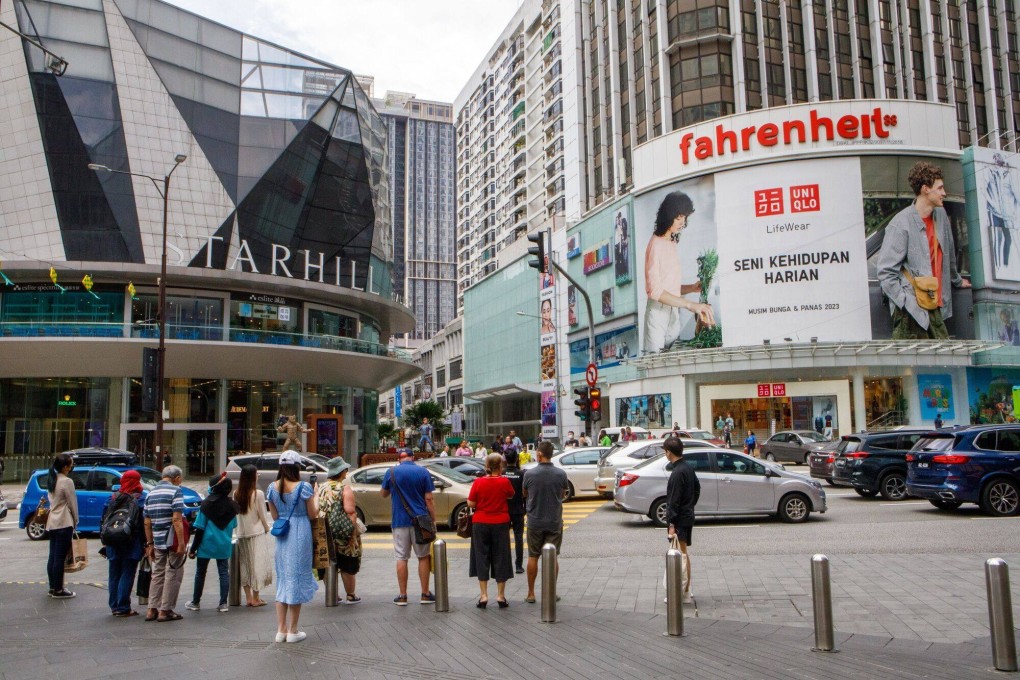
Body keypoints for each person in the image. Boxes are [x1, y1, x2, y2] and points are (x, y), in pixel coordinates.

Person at [877, 161, 971, 339]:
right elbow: (885, 272)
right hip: (912, 310)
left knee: (942, 363)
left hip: (936, 307)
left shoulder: (941, 215)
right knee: (913, 365)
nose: (944, 193)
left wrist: (957, 280)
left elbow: (948, 253)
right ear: (925, 189)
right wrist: (905, 302)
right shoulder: (900, 224)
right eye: (940, 188)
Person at [643, 191, 716, 353]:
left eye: (684, 217)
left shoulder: (670, 243)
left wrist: (692, 288)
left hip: (673, 311)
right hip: (658, 313)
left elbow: (669, 286)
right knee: (655, 364)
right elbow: (655, 290)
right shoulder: (655, 245)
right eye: (678, 218)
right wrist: (690, 305)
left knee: (672, 362)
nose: (682, 223)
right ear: (667, 216)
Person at [266, 450, 318, 643]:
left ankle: (281, 630)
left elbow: (274, 516)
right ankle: (293, 631)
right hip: (300, 532)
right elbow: (313, 515)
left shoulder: (272, 487)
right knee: (296, 578)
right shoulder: (303, 487)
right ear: (296, 467)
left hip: (282, 535)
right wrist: (317, 497)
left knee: (283, 580)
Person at [381, 448, 436, 605]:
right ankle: (425, 594)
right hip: (421, 521)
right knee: (423, 557)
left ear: (399, 459)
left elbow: (383, 494)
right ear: (413, 457)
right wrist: (433, 520)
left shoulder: (391, 472)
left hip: (399, 521)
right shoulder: (423, 472)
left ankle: (402, 596)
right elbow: (429, 499)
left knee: (401, 557)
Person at [522, 441, 570, 604]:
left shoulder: (529, 474)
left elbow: (525, 493)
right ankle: (551, 592)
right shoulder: (561, 474)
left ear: (540, 454)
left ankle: (531, 593)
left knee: (533, 556)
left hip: (534, 521)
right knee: (553, 557)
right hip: (554, 521)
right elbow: (563, 493)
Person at [186, 473, 239, 613]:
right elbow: (234, 525)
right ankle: (223, 603)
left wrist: (193, 549)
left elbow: (200, 528)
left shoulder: (206, 504)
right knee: (223, 573)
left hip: (206, 545)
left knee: (200, 573)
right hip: (224, 544)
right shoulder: (232, 506)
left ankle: (196, 601)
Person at [467, 453, 515, 608]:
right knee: (501, 556)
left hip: (480, 523)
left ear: (486, 467)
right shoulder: (504, 481)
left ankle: (483, 596)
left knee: (481, 557)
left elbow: (471, 503)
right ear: (500, 466)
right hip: (501, 522)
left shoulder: (478, 482)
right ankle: (501, 596)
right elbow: (511, 495)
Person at [143, 465, 187, 622]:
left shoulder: (150, 493)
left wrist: (150, 544)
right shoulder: (176, 491)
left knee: (158, 573)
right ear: (176, 478)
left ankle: (151, 609)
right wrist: (181, 543)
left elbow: (147, 522)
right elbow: (177, 518)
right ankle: (165, 610)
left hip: (157, 540)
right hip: (172, 540)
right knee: (173, 573)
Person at [317, 457, 361, 605]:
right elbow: (350, 512)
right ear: (342, 472)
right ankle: (350, 595)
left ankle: (332, 594)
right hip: (342, 531)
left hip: (323, 530)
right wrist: (352, 533)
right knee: (347, 562)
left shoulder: (320, 487)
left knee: (327, 561)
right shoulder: (344, 488)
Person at [101, 469, 144, 616]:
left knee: (114, 573)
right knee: (127, 572)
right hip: (131, 541)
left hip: (112, 540)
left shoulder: (112, 498)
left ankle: (114, 605)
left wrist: (104, 541)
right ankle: (123, 606)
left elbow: (104, 519)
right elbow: (143, 522)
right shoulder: (140, 499)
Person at [664, 437, 699, 604]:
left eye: (665, 451)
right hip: (687, 515)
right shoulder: (688, 468)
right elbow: (697, 489)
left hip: (680, 519)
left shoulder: (677, 472)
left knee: (682, 555)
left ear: (669, 452)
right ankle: (685, 589)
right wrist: (690, 505)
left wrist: (671, 523)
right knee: (683, 554)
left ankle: (684, 591)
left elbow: (673, 500)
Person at [233, 464, 273, 607]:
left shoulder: (236, 493)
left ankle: (249, 598)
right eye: (257, 474)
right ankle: (256, 598)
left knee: (245, 565)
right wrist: (267, 528)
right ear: (252, 477)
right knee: (257, 566)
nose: (258, 476)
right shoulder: (258, 494)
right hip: (256, 533)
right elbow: (262, 515)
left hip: (242, 533)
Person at [45, 452, 79, 599]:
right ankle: (59, 589)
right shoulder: (67, 481)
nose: (71, 467)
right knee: (60, 557)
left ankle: (53, 587)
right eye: (71, 465)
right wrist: (76, 520)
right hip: (64, 521)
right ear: (65, 467)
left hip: (52, 521)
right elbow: (72, 503)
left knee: (53, 556)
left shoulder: (52, 479)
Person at [503, 449, 526, 574]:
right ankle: (518, 565)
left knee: (504, 538)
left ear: (505, 460)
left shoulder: (502, 474)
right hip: (518, 510)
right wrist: (525, 508)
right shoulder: (521, 474)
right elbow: (525, 493)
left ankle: (506, 564)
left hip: (504, 510)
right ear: (517, 459)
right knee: (518, 538)